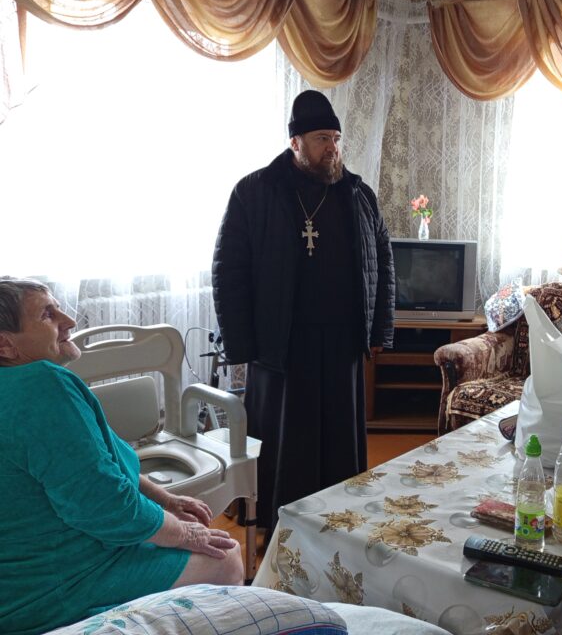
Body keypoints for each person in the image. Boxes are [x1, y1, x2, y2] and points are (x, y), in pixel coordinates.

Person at [0, 278, 242, 635]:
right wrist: (185, 534)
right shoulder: (42, 385)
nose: (69, 321)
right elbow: (106, 506)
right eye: (47, 315)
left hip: (19, 577)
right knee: (227, 557)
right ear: (5, 344)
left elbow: (100, 462)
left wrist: (165, 500)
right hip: (52, 588)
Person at [212, 89, 395, 535]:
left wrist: (378, 331)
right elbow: (228, 269)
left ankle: (339, 523)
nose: (332, 148)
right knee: (285, 444)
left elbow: (383, 263)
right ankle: (279, 528)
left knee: (339, 441)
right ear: (295, 142)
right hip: (281, 344)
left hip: (342, 344)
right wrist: (241, 346)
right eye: (321, 139)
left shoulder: (358, 194)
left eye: (336, 138)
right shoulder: (255, 192)